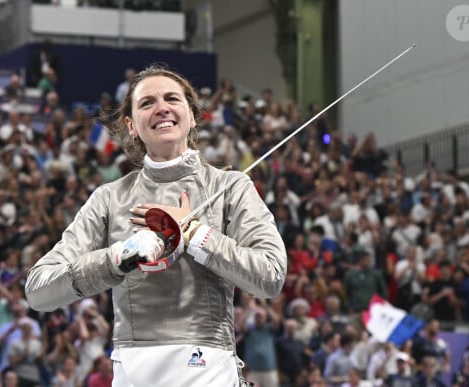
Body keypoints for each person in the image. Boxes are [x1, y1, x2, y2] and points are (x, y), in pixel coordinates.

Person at [25, 65, 287, 387]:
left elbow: (271, 274)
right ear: (131, 126)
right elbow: (39, 289)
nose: (161, 107)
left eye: (172, 98)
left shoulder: (230, 187)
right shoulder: (110, 198)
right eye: (147, 102)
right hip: (135, 371)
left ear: (192, 116)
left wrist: (193, 234)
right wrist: (120, 256)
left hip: (209, 368)